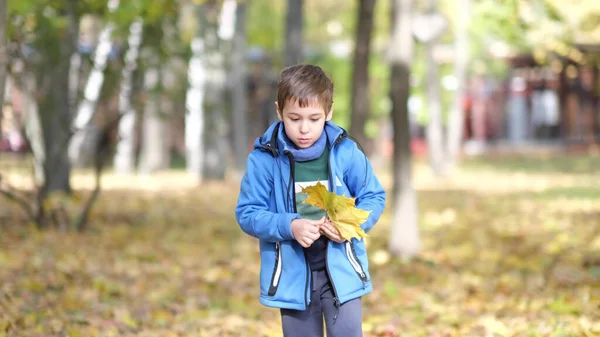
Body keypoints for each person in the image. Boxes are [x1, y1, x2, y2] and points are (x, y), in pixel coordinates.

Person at [235, 64, 386, 337]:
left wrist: (348, 227)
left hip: (343, 272)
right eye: (294, 118)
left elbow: (373, 196)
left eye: (314, 119)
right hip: (292, 279)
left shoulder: (345, 151)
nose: (304, 129)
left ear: (328, 113)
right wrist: (289, 226)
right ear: (279, 111)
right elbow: (248, 213)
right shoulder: (264, 159)